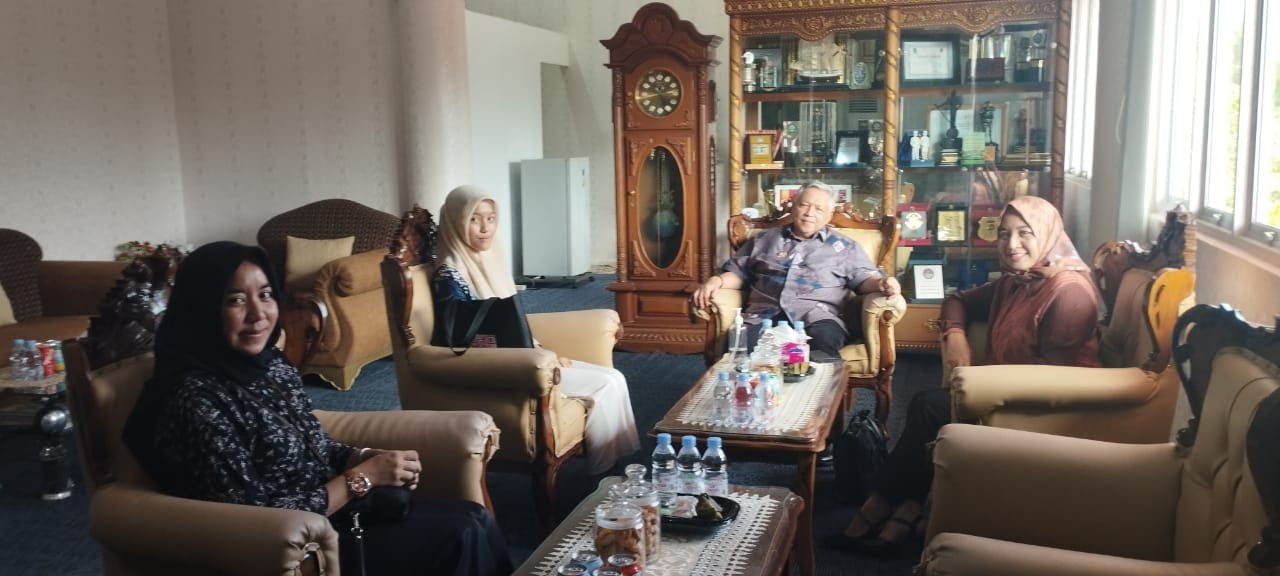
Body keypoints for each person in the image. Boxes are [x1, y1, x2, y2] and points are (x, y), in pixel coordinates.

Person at [123, 241, 513, 576]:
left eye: (265, 295)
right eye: (235, 300)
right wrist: (361, 479)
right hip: (300, 549)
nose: (259, 314)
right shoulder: (196, 401)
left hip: (337, 513)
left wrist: (362, 456)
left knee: (474, 519)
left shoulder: (268, 366)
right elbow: (256, 515)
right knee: (459, 537)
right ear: (203, 310)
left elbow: (314, 443)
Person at [827, 195, 1100, 556]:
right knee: (931, 408)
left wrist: (985, 388)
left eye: (1025, 233)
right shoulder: (1017, 281)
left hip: (1042, 411)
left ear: (1048, 234)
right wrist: (955, 338)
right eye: (1003, 234)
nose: (1011, 244)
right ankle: (902, 512)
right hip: (1003, 391)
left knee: (928, 407)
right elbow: (957, 300)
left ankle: (880, 508)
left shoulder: (1068, 292)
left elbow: (1053, 384)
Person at [432, 185, 641, 475]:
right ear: (456, 222)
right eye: (474, 219)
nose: (485, 228)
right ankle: (604, 476)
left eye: (491, 218)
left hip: (526, 357)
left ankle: (614, 470)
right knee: (605, 384)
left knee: (615, 378)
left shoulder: (487, 260)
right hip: (502, 368)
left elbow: (509, 323)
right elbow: (468, 336)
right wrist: (540, 358)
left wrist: (543, 351)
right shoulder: (450, 275)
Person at [692, 180, 901, 361]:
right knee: (741, 354)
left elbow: (864, 280)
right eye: (804, 205)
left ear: (828, 216)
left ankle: (816, 395)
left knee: (822, 351)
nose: (809, 213)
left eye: (818, 209)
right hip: (763, 315)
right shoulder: (765, 239)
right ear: (793, 208)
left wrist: (882, 284)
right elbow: (739, 273)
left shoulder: (845, 247)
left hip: (818, 317)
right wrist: (716, 281)